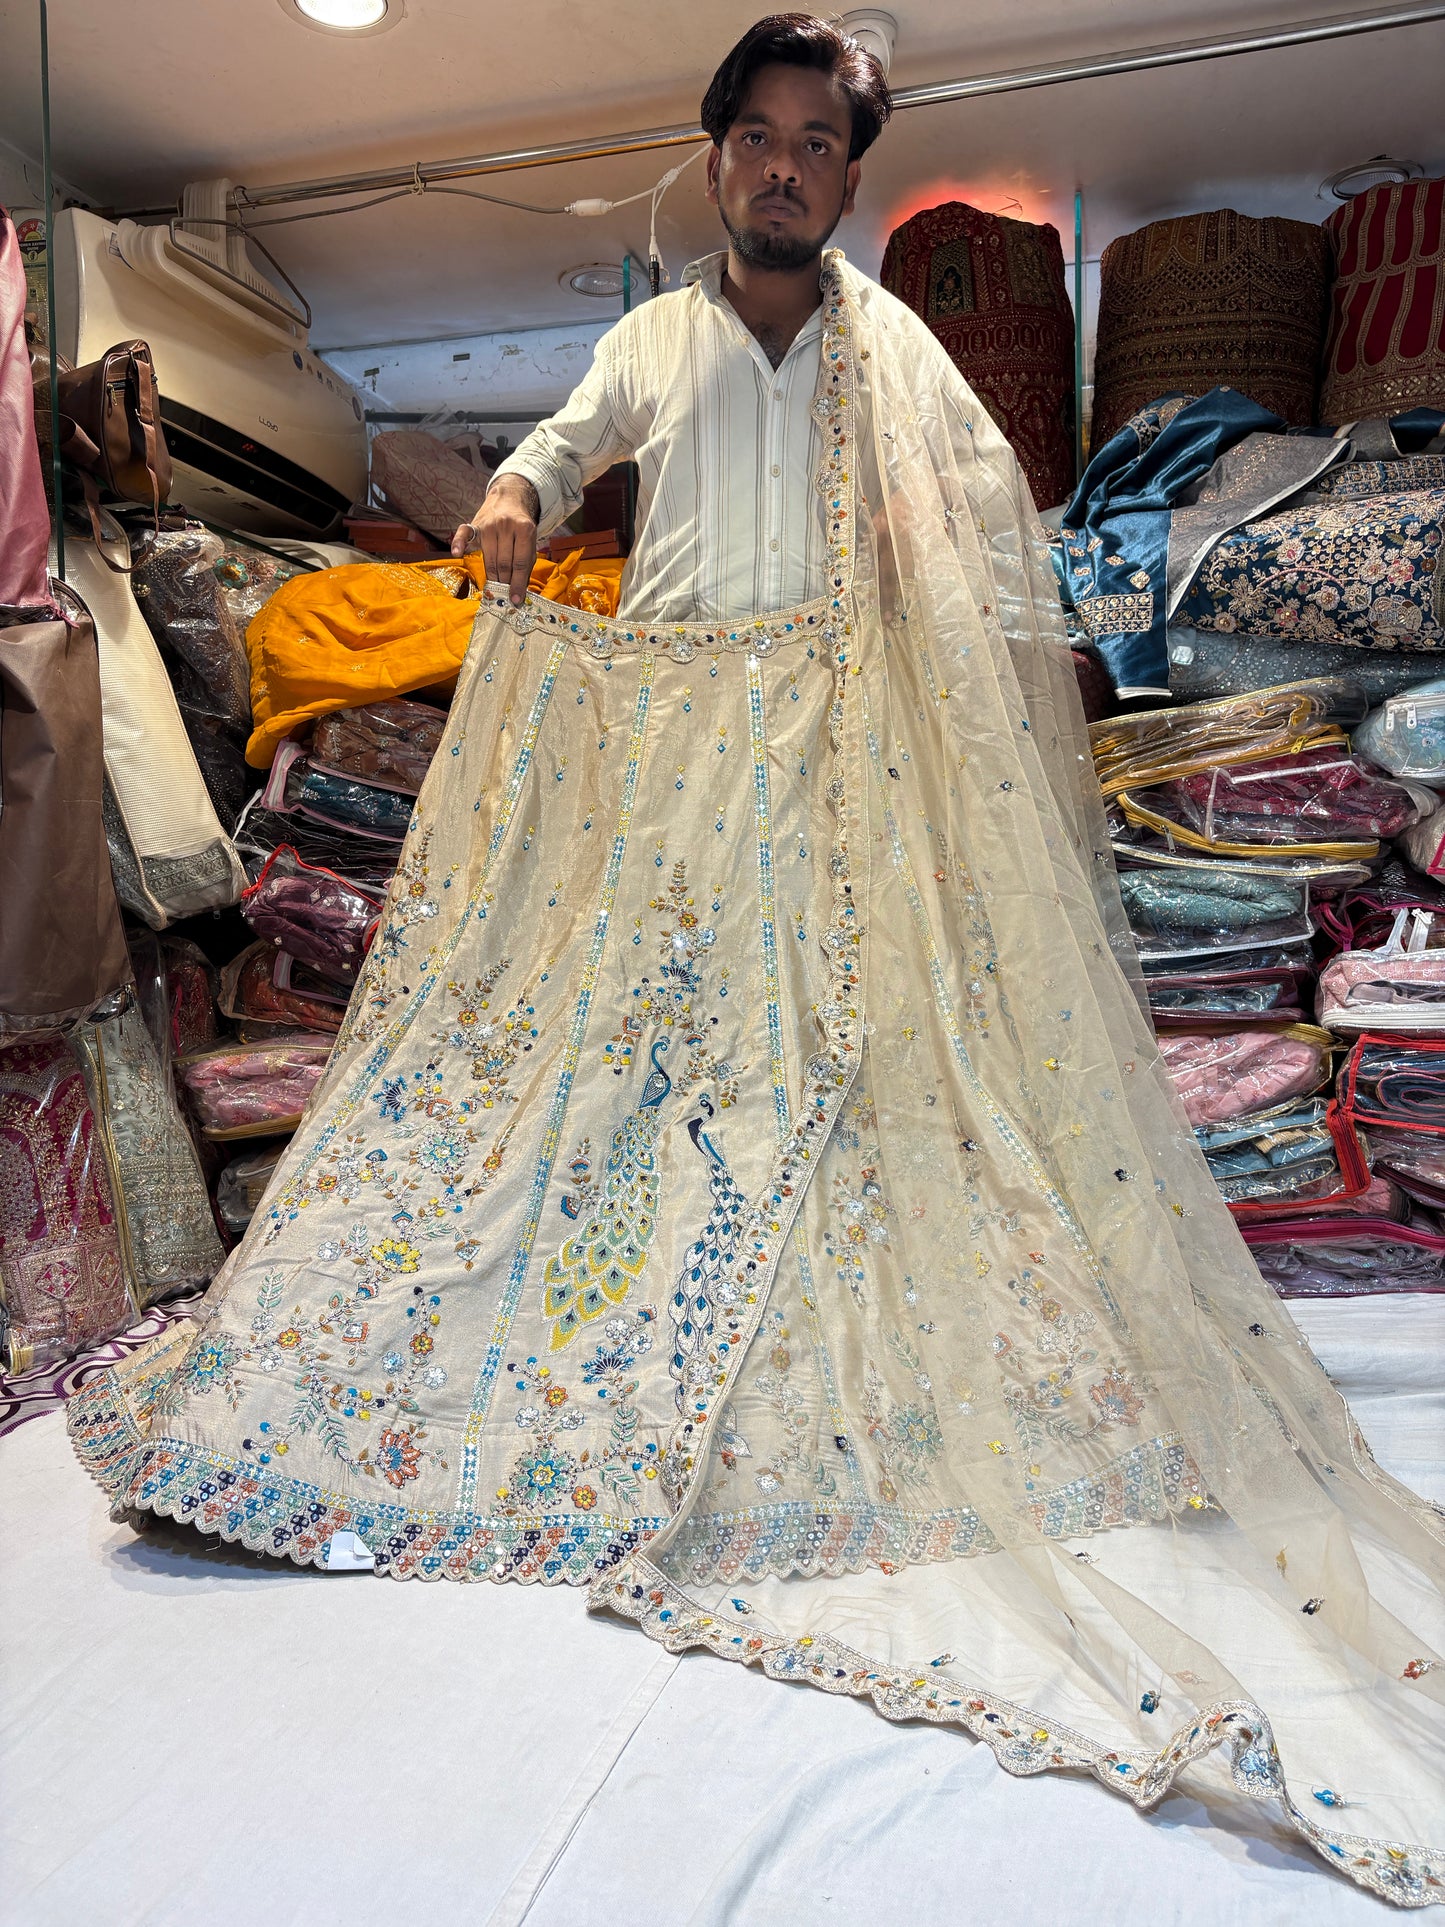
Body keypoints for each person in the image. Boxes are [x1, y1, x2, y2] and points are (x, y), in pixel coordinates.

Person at [71, 16, 1443, 1905]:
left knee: (858, 1064)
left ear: (848, 177)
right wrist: (510, 503)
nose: (787, 167)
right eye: (759, 137)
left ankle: (794, 1337)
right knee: (607, 1062)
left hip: (834, 766)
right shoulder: (656, 334)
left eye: (821, 142)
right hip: (668, 770)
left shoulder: (899, 356)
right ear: (715, 158)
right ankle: (564, 1357)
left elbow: (972, 537)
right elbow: (562, 446)